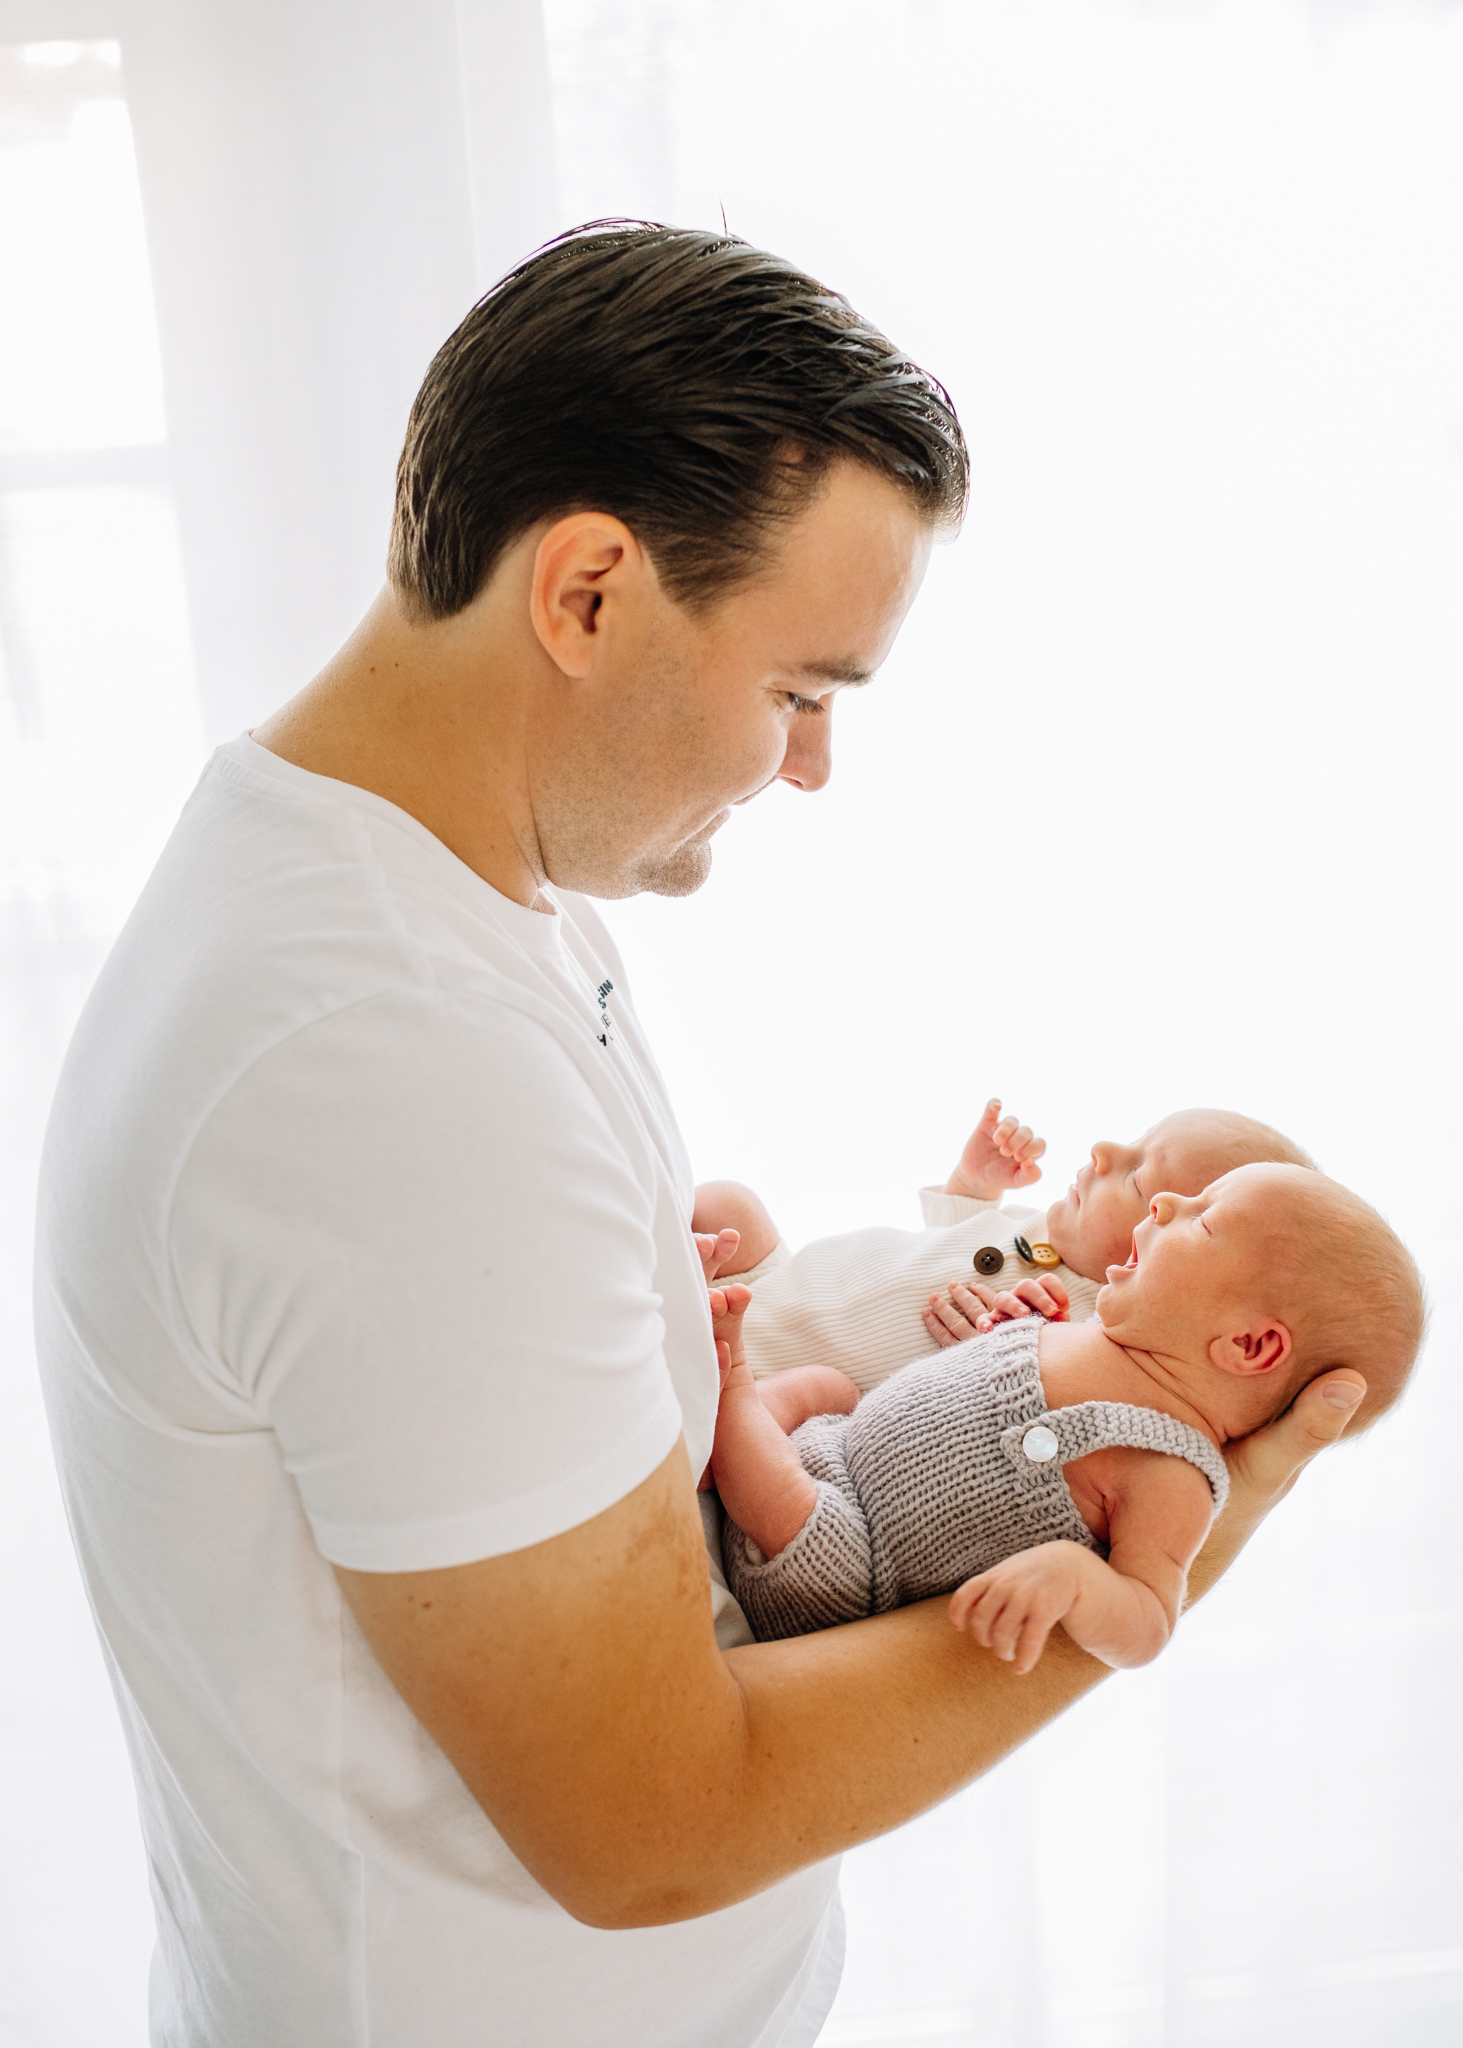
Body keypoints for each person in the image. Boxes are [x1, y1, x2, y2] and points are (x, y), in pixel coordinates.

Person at [33, 222, 1368, 2048]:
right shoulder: (380, 1055)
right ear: (585, 592)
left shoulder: (448, 889)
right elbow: (652, 1823)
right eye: (802, 688)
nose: (809, 765)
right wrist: (1197, 1526)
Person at [708, 1164, 1424, 1659]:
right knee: (828, 1385)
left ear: (1247, 1344)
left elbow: (1147, 1618)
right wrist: (1004, 1329)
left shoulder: (1171, 1470)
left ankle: (730, 1389)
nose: (1164, 1205)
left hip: (839, 1563)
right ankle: (741, 1426)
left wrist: (1079, 1583)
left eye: (1202, 1221)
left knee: (793, 1500)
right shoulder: (1088, 1333)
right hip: (840, 1446)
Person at [692, 1096, 1320, 1394]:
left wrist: (998, 1357)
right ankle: (681, 1276)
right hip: (784, 1281)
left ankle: (707, 1359)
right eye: (1132, 1140)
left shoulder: (1087, 1328)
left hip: (776, 1372)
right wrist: (973, 1184)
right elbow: (947, 1237)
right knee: (729, 1205)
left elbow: (1026, 1395)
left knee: (805, 1393)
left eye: (1135, 1176)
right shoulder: (1034, 1222)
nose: (1102, 1151)